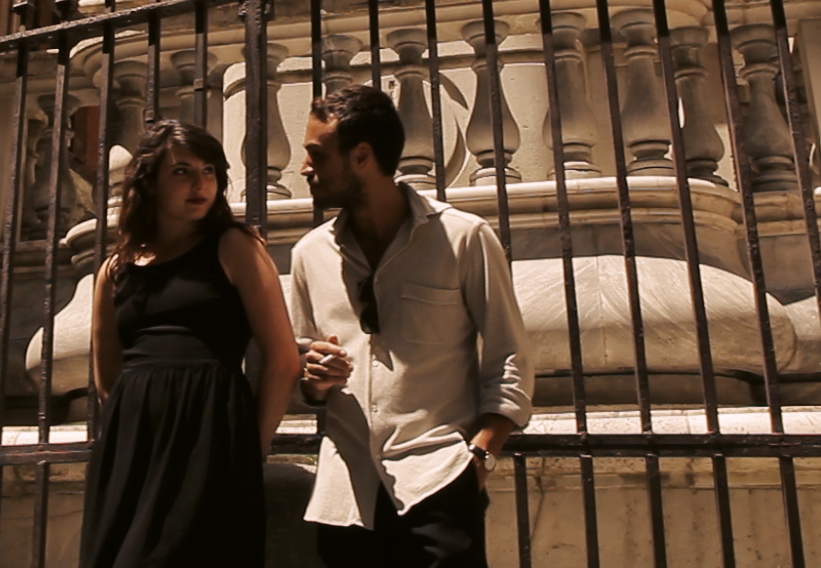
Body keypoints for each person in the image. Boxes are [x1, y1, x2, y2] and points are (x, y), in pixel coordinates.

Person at [290, 85, 532, 568]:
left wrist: (480, 458)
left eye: (317, 154)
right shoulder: (308, 255)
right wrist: (313, 380)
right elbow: (299, 374)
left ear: (362, 156)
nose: (304, 168)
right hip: (345, 497)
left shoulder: (463, 237)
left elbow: (510, 358)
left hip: (439, 483)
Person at [80, 120, 302, 568]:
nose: (200, 184)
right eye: (182, 171)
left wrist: (248, 450)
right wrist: (137, 422)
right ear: (150, 182)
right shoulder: (115, 270)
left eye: (209, 171)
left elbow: (283, 360)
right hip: (133, 442)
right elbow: (108, 376)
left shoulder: (235, 246)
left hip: (210, 435)